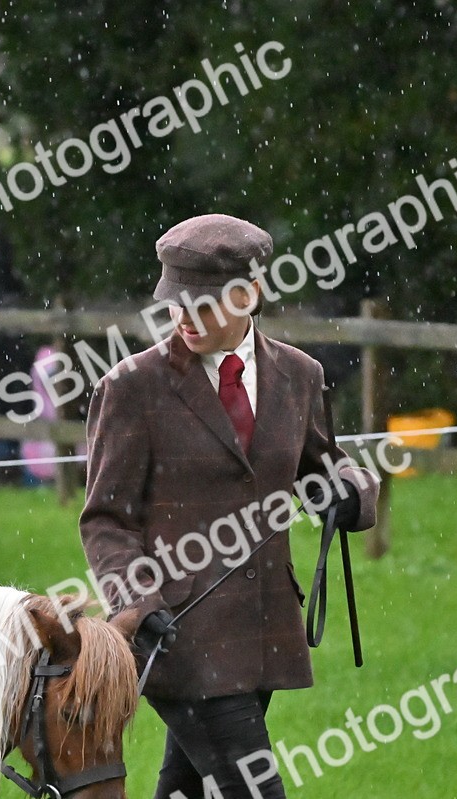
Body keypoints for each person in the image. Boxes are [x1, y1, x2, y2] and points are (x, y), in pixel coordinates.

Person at [80, 215, 379, 798]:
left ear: (249, 295)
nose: (184, 320)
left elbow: (323, 464)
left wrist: (351, 493)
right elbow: (106, 520)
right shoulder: (131, 388)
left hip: (265, 628)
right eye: (174, 305)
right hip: (179, 635)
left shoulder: (300, 375)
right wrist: (139, 603)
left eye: (202, 306)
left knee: (188, 790)